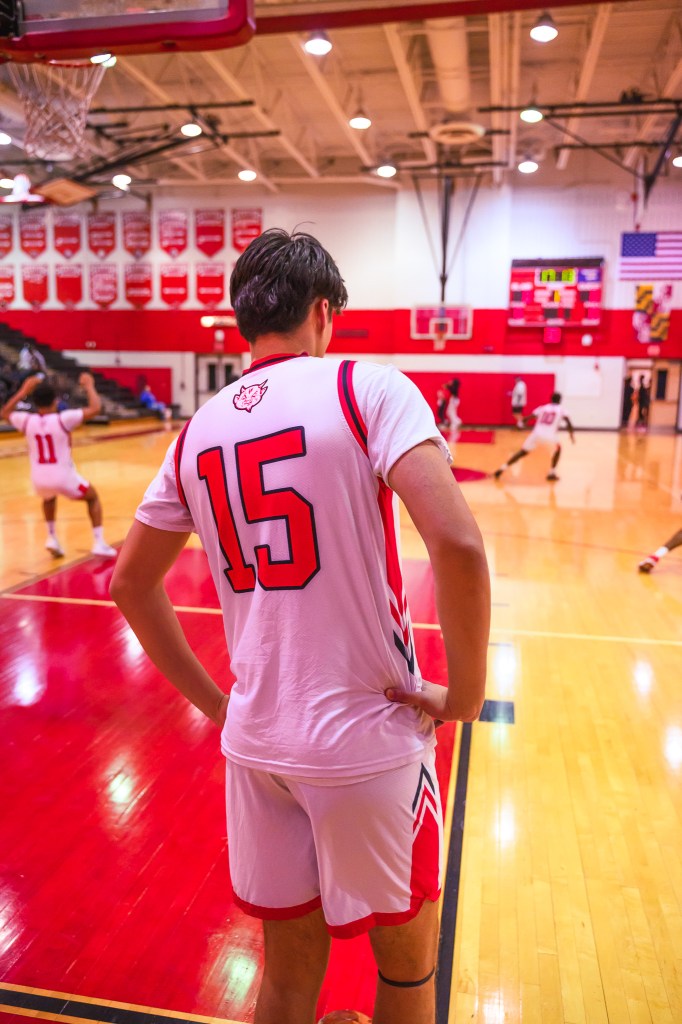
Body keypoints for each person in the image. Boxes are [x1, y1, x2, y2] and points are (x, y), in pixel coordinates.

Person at [110, 228, 490, 1024]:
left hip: (257, 747)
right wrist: (463, 698)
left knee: (284, 982)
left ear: (245, 319)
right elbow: (457, 544)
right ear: (324, 311)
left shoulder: (197, 429)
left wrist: (218, 705)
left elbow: (130, 584)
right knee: (407, 975)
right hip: (365, 740)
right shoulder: (367, 387)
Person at [1, 372, 117, 559]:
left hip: (39, 479)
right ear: (55, 401)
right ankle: (99, 542)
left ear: (35, 402)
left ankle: (52, 537)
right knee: (92, 497)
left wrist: (23, 390)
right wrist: (89, 386)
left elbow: (5, 413)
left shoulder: (27, 420)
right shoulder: (63, 419)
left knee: (48, 498)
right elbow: (95, 408)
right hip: (63, 477)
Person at [492, 391, 575, 482]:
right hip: (550, 436)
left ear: (551, 399)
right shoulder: (562, 410)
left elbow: (528, 417)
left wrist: (521, 424)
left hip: (536, 434)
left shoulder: (543, 408)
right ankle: (552, 473)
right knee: (558, 450)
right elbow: (568, 422)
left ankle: (502, 469)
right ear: (560, 400)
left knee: (522, 452)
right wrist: (571, 435)